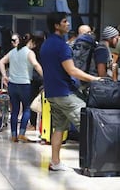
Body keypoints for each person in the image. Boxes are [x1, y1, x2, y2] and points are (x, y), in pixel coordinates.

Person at [40, 12, 102, 171]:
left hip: (52, 93)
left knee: (59, 127)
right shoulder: (61, 46)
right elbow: (72, 70)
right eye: (64, 22)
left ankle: (55, 162)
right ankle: (95, 164)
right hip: (65, 93)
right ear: (57, 25)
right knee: (89, 125)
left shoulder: (46, 44)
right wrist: (95, 79)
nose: (68, 24)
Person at [0, 33, 43, 142]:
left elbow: (1, 61)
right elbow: (36, 65)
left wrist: (5, 76)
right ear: (31, 42)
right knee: (26, 109)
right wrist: (45, 76)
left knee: (14, 111)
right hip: (25, 84)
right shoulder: (29, 52)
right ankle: (22, 134)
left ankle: (13, 135)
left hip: (12, 85)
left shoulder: (13, 51)